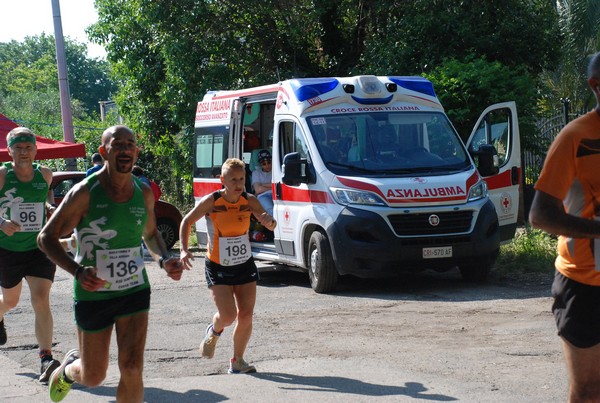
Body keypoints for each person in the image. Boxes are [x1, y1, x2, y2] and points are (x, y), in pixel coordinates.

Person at [37, 125, 185, 402]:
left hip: (133, 290)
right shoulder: (85, 192)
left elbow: (151, 234)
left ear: (137, 153)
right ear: (104, 152)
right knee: (94, 376)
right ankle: (69, 370)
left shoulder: (144, 193)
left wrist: (165, 260)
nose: (126, 149)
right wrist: (78, 272)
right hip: (93, 293)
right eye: (118, 145)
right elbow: (46, 237)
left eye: (131, 144)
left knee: (132, 368)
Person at [529, 51, 600, 402]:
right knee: (589, 390)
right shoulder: (576, 137)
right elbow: (540, 215)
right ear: (596, 86)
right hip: (584, 284)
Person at [179, 158, 276, 374]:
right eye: (233, 179)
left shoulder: (249, 200)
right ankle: (214, 330)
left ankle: (238, 360)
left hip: (244, 264)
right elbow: (186, 221)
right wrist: (184, 249)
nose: (238, 183)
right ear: (222, 180)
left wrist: (270, 221)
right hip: (217, 265)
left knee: (246, 315)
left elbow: (264, 216)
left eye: (241, 179)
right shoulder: (211, 201)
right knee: (229, 315)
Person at [0, 127, 60, 384]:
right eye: (18, 148)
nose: (24, 152)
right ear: (10, 150)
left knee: (40, 298)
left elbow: (43, 201)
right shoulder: (2, 176)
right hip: (8, 249)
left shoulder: (45, 175)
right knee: (10, 301)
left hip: (38, 248)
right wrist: (1, 222)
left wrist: (48, 209)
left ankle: (46, 358)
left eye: (28, 148)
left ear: (36, 150)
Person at [251, 149, 273, 216]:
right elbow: (258, 190)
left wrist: (263, 185)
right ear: (260, 164)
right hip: (263, 196)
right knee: (271, 211)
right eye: (264, 164)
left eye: (269, 162)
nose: (267, 166)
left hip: (277, 195)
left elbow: (280, 186)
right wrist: (272, 187)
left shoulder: (276, 171)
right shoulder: (256, 173)